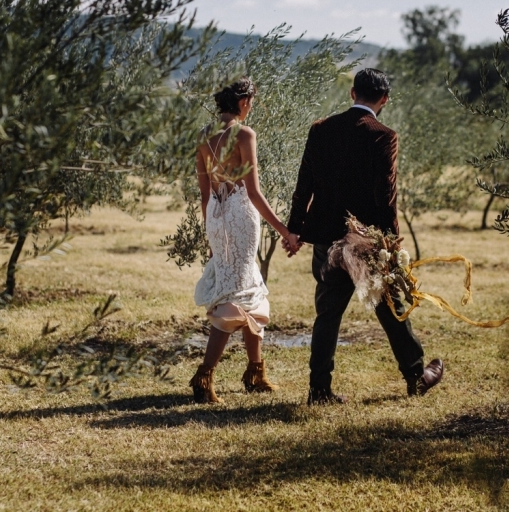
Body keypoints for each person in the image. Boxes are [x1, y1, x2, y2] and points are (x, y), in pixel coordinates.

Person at [284, 68, 444, 405]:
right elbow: (385, 195)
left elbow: (304, 185)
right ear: (384, 99)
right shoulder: (383, 135)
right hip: (365, 242)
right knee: (389, 306)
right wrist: (392, 242)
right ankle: (416, 375)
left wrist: (295, 229)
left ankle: (319, 390)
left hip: (327, 237)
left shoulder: (321, 130)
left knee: (327, 313)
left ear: (352, 93)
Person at [189, 77, 300, 404]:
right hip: (239, 216)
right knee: (236, 295)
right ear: (242, 102)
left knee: (247, 286)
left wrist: (211, 234)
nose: (251, 107)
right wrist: (286, 231)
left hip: (216, 217)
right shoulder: (244, 134)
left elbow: (205, 193)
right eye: (251, 102)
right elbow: (253, 191)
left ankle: (255, 371)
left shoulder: (204, 139)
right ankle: (204, 375)